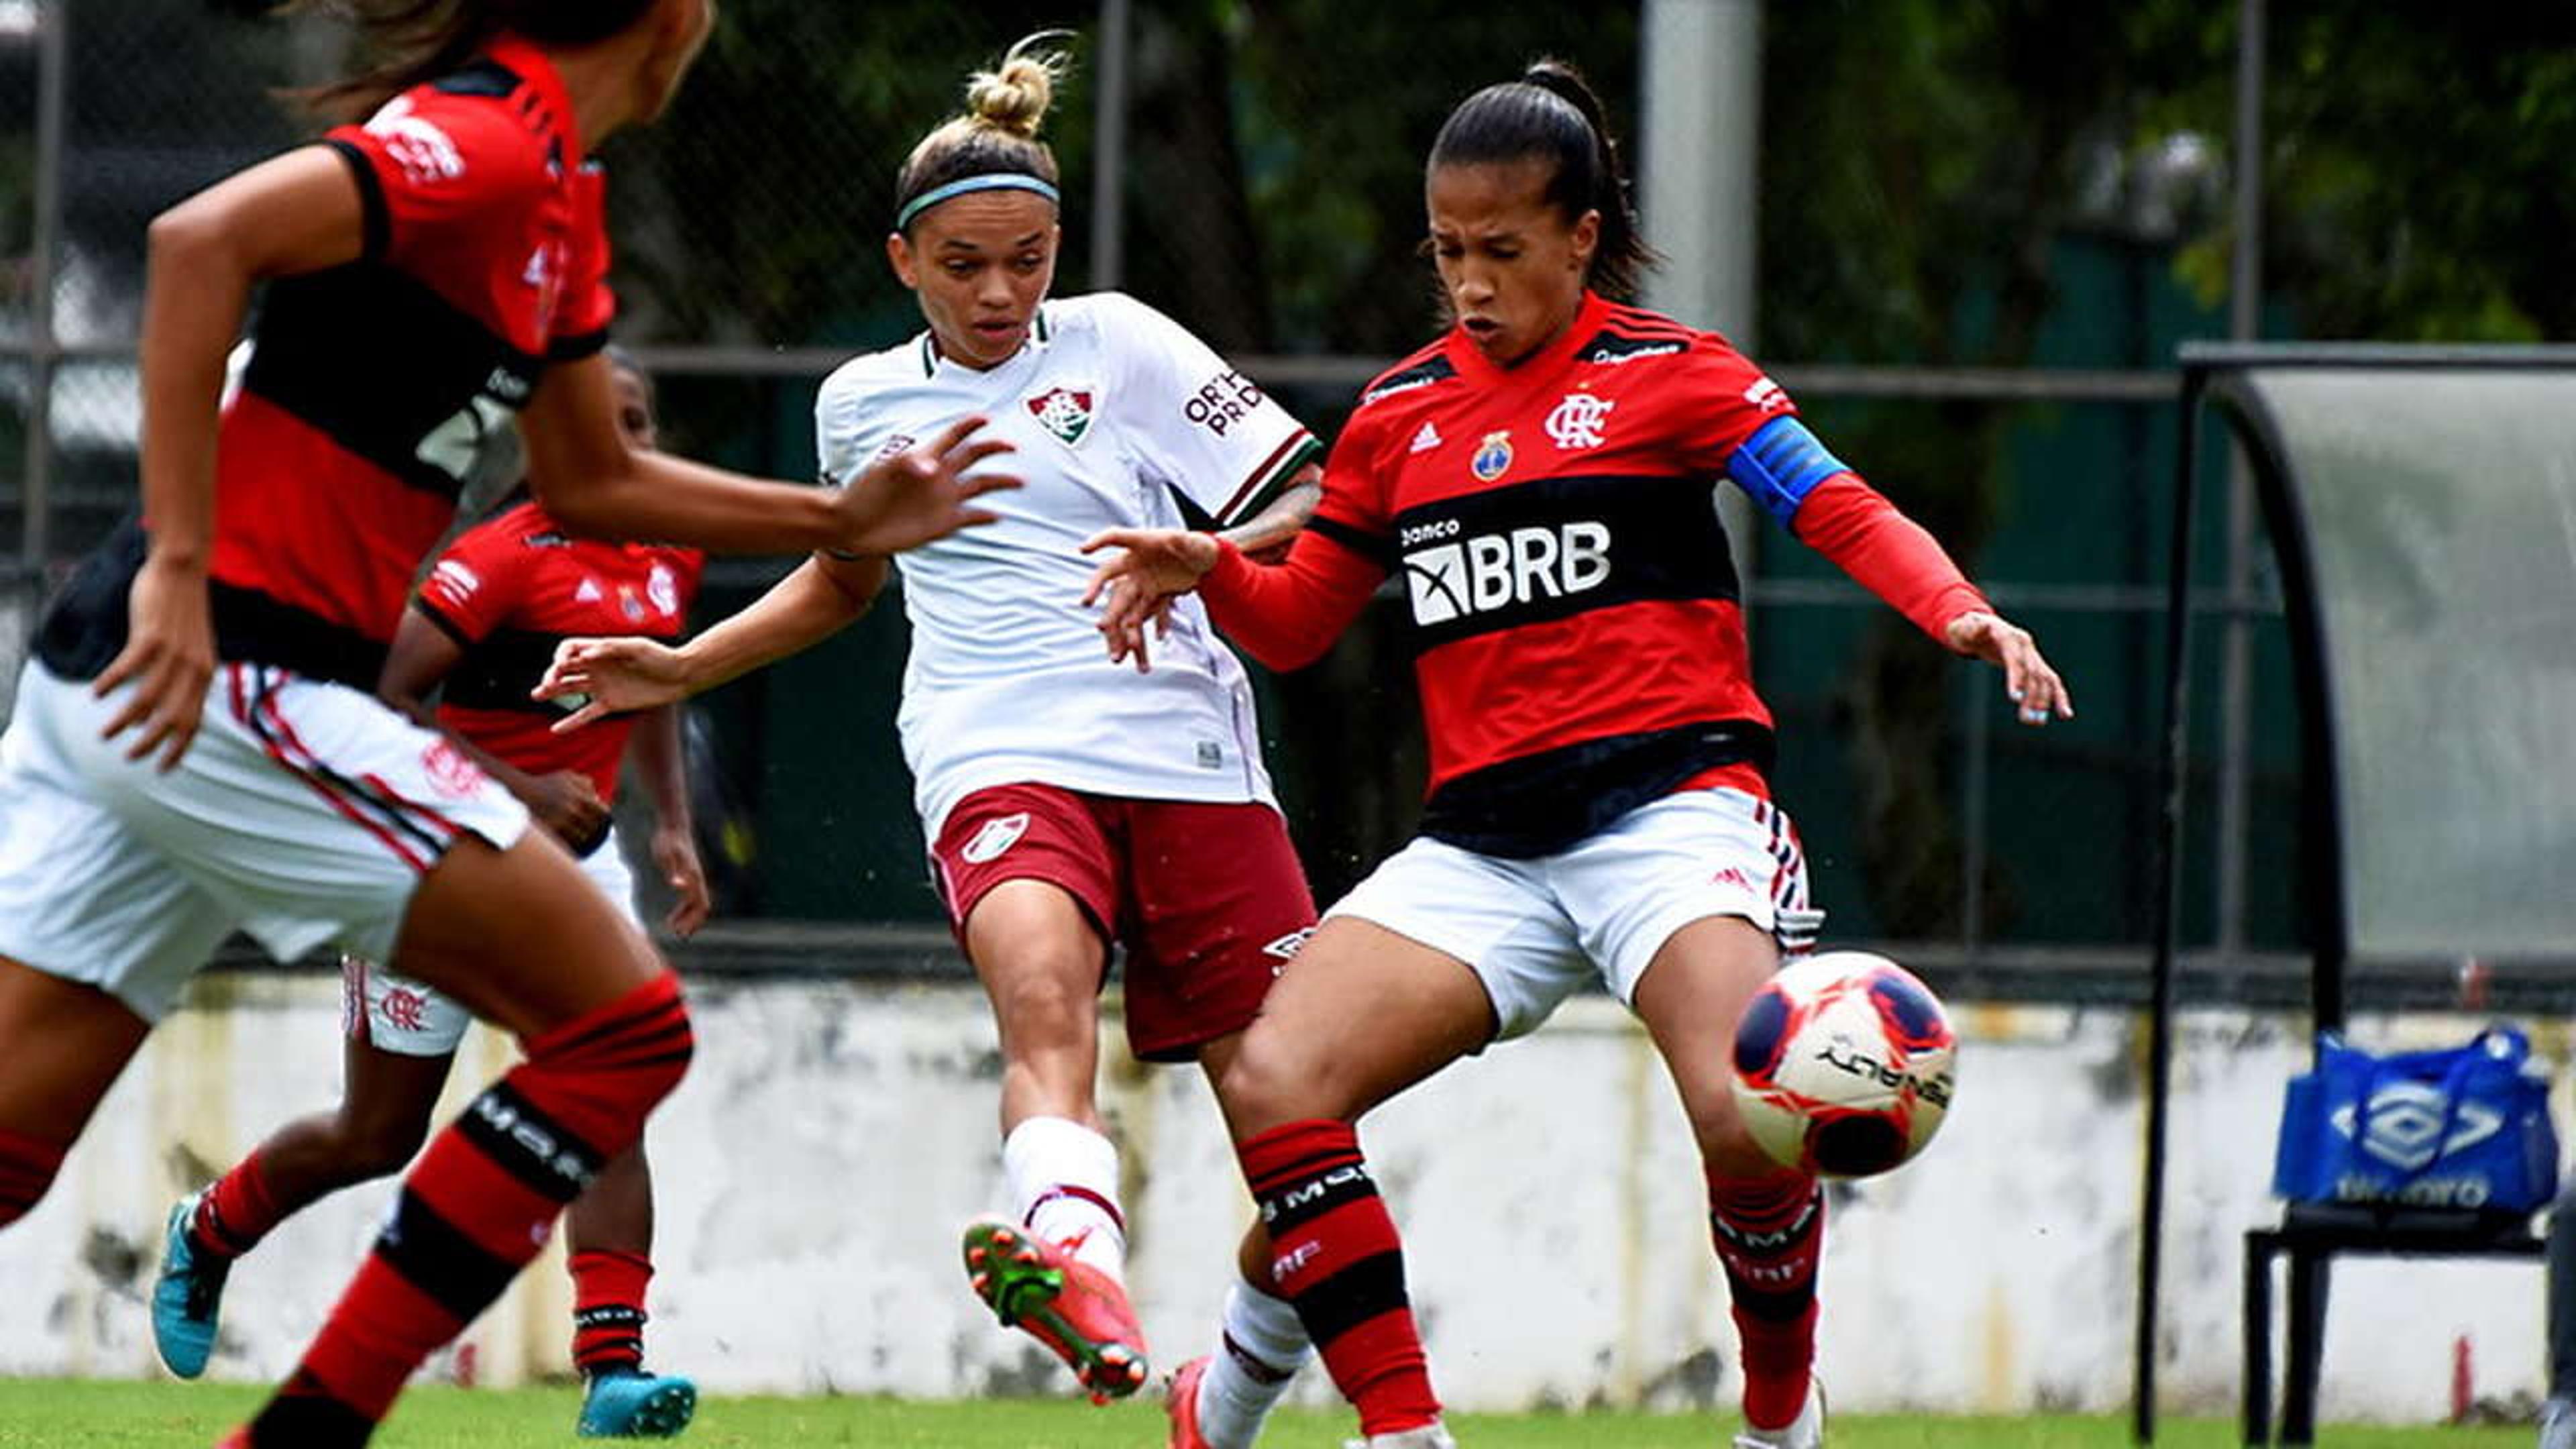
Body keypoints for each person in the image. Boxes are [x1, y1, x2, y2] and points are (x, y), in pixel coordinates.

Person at [0, 3, 1014, 1445]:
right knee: (621, 1029)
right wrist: (176, 563)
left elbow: (593, 476)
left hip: (147, 688)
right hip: (224, 674)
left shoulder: (558, 197)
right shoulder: (479, 140)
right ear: (667, 22)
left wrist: (836, 518)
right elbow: (195, 245)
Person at [1081, 60, 2076, 1449]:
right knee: (1276, 1084)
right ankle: (1331, 1421)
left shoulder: (1675, 377)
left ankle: (1781, 1419)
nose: (1470, 282)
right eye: (1446, 253)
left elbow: (1834, 505)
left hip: (1671, 815)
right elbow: (1304, 620)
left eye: (1501, 250)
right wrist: (1208, 570)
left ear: (1581, 237)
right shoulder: (1397, 415)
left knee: (1745, 1121)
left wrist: (1959, 609)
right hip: (1485, 848)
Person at [531, 33, 1332, 1428]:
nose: (999, 290)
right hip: (996, 751)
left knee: (1302, 1123)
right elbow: (845, 577)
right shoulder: (862, 404)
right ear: (905, 261)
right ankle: (1075, 1261)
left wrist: (1205, 557)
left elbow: (1306, 494)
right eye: (964, 262)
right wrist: (680, 666)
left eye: (1027, 258)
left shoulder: (1126, 343)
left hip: (1191, 759)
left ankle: (1227, 1397)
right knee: (1043, 1005)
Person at [148, 350, 710, 1440]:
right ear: (552, 445)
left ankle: (613, 1374)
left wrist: (675, 823)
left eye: (642, 426)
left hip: (578, 866)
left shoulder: (669, 552)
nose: (631, 449)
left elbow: (656, 685)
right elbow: (386, 696)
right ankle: (210, 1229)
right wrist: (525, 793)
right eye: (608, 429)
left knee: (612, 1085)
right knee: (376, 1132)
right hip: (433, 850)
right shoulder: (497, 560)